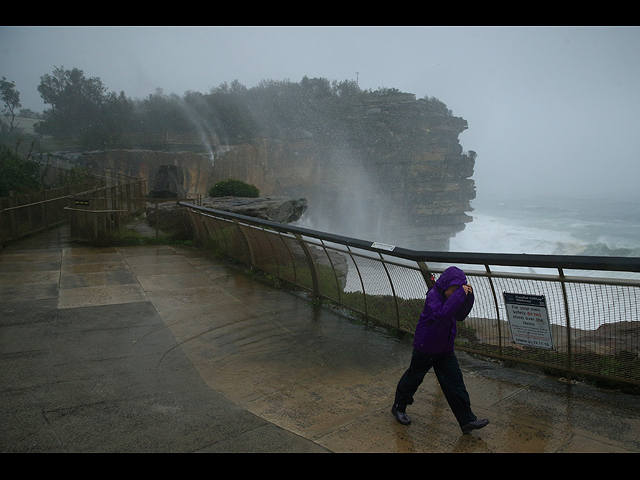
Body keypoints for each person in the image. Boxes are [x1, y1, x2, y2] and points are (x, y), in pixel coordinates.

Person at [392, 266, 489, 434]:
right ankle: (399, 407)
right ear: (445, 286)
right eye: (453, 290)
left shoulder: (449, 297)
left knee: (455, 383)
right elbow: (443, 315)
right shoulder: (433, 297)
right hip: (426, 346)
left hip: (445, 349)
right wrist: (459, 295)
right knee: (413, 378)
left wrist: (468, 297)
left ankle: (467, 420)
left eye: (457, 290)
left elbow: (459, 315)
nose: (454, 293)